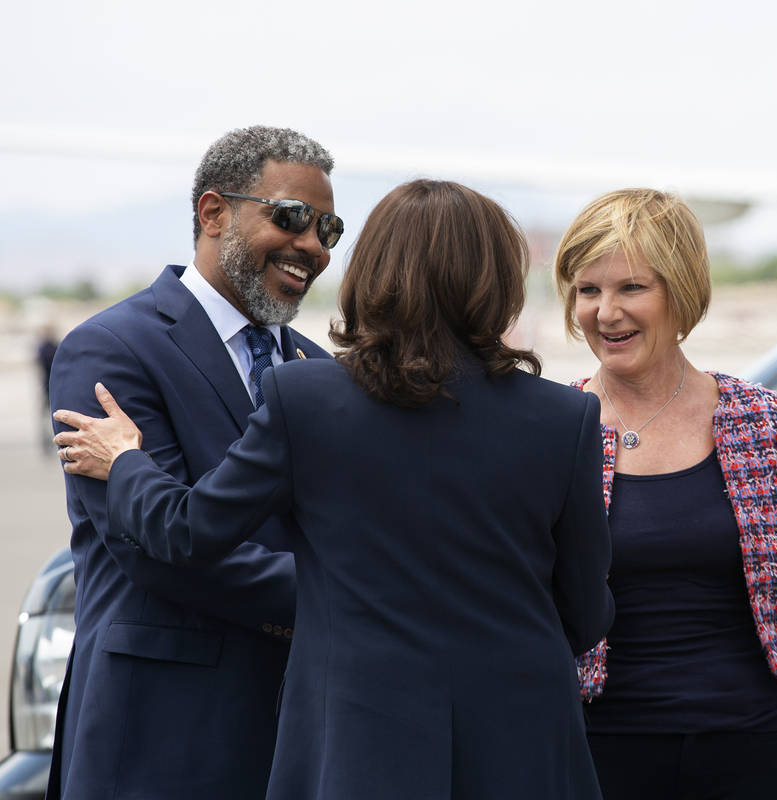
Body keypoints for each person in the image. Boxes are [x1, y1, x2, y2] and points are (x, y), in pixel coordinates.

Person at [54, 179, 615, 800]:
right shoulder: (568, 418)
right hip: (524, 735)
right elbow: (586, 611)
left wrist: (127, 462)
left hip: (362, 738)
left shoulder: (307, 398)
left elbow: (187, 531)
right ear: (498, 280)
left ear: (373, 272)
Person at [46, 125, 338, 800]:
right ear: (213, 213)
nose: (313, 248)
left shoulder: (319, 372)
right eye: (292, 218)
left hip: (300, 740)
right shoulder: (111, 350)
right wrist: (338, 597)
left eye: (329, 228)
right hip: (159, 734)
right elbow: (152, 547)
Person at [552, 188, 777, 799]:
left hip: (754, 746)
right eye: (588, 291)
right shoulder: (550, 426)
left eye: (632, 288)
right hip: (599, 747)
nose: (606, 312)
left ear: (682, 289)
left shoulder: (768, 422)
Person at [35, 323, 58, 453]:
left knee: (45, 417)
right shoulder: (55, 346)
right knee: (51, 417)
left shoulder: (43, 348)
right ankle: (49, 441)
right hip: (51, 387)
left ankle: (47, 442)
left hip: (46, 387)